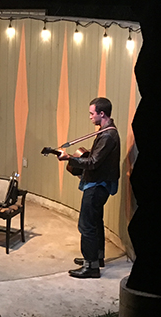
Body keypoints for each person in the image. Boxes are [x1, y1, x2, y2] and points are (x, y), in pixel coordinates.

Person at [57, 97, 120, 279]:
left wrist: (69, 158)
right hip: (100, 184)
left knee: (86, 225)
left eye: (92, 113)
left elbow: (93, 162)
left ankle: (91, 266)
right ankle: (96, 257)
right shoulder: (106, 131)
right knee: (95, 221)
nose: (90, 117)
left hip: (97, 185)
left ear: (102, 113)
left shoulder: (108, 135)